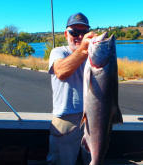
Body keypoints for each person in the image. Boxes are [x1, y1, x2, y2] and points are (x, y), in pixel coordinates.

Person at [47, 12, 97, 165]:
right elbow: (61, 72)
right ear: (66, 34)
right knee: (61, 162)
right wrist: (83, 50)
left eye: (84, 32)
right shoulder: (58, 52)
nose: (79, 36)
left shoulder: (94, 55)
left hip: (93, 118)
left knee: (93, 159)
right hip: (66, 118)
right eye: (74, 32)